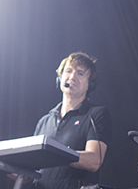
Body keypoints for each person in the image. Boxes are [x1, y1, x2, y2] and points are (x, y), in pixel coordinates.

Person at [32, 52, 111, 189]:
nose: (72, 76)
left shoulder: (96, 114)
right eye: (68, 71)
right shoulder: (44, 121)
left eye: (80, 73)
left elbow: (94, 161)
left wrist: (55, 153)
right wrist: (13, 167)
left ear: (90, 85)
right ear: (60, 78)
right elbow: (32, 168)